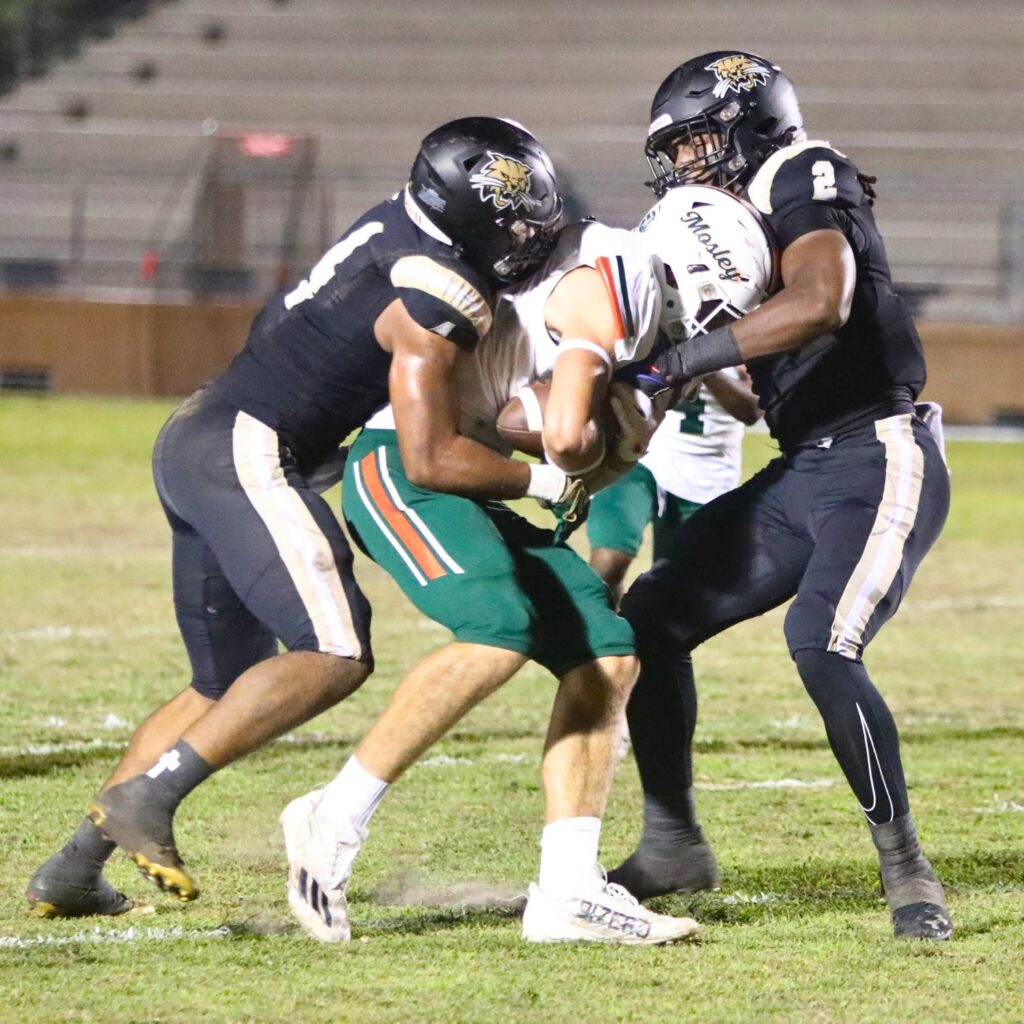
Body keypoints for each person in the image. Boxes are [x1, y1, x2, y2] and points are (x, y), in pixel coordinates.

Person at [25, 116, 583, 919]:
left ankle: (73, 870)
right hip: (245, 449)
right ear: (463, 212)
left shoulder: (391, 224)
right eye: (513, 223)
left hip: (201, 432)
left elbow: (278, 321)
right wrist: (539, 477)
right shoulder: (439, 289)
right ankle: (155, 796)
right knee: (334, 647)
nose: (528, 238)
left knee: (219, 684)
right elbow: (430, 459)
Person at [278, 195, 735, 945]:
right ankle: (334, 814)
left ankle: (567, 891)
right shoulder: (623, 279)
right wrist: (582, 456)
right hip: (409, 465)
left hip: (475, 470)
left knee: (609, 654)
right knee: (499, 628)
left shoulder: (634, 290)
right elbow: (550, 428)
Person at [608, 51, 954, 941]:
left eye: (695, 142)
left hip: (880, 451)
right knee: (651, 614)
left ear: (748, 123)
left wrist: (671, 362)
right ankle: (672, 842)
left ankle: (905, 864)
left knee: (822, 640)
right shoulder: (739, 221)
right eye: (674, 151)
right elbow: (745, 383)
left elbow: (823, 302)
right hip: (804, 462)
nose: (685, 166)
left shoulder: (800, 171)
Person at [587, 369, 762, 606]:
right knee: (607, 561)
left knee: (673, 596)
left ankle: (640, 639)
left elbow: (752, 408)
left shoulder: (738, 335)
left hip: (706, 476)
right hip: (640, 456)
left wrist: (706, 361)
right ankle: (602, 638)